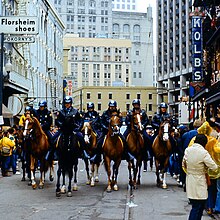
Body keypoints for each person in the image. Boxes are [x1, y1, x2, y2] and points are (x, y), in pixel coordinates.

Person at [182, 134, 219, 220]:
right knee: (198, 206)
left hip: (190, 179)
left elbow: (184, 163)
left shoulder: (188, 150)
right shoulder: (203, 152)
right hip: (200, 180)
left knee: (196, 205)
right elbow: (213, 166)